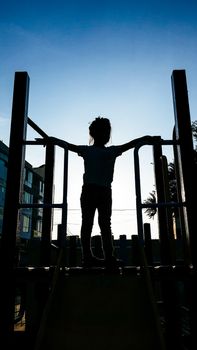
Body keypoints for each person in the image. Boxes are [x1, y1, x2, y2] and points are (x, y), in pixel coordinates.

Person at [43, 117, 154, 268]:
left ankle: (107, 256)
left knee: (103, 224)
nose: (107, 135)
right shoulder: (90, 150)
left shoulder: (109, 151)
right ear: (95, 133)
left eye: (108, 132)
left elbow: (130, 145)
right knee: (90, 223)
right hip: (91, 190)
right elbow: (68, 146)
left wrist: (144, 139)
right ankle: (89, 256)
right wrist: (52, 140)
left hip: (103, 192)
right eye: (105, 131)